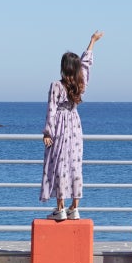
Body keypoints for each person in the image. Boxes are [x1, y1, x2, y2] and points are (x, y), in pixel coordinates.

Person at [39, 30, 104, 220]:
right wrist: (92, 41)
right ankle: (74, 207)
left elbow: (51, 109)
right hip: (75, 125)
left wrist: (47, 132)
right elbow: (86, 64)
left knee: (59, 164)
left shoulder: (56, 85)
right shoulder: (80, 83)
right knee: (75, 164)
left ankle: (60, 208)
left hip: (59, 125)